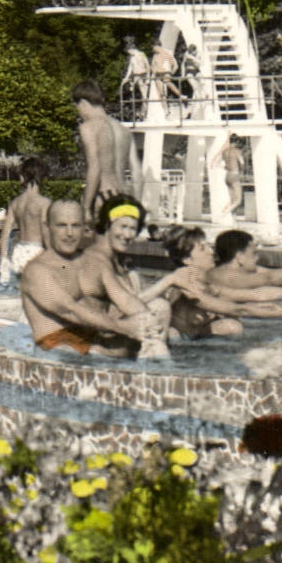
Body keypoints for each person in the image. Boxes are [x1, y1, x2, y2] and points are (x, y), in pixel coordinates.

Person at [17, 199, 155, 357]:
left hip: (96, 342)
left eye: (75, 225)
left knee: (159, 309)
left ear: (84, 227)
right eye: (61, 225)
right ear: (47, 228)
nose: (69, 233)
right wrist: (126, 328)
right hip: (59, 352)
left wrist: (147, 319)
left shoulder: (93, 262)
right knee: (91, 351)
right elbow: (71, 311)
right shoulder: (36, 271)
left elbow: (125, 300)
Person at [74, 195, 174, 357]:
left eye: (132, 228)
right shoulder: (95, 260)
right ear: (108, 225)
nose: (127, 235)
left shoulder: (115, 260)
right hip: (95, 342)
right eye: (123, 226)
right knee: (159, 309)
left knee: (160, 308)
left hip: (111, 334)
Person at [153, 225, 282, 339]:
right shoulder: (185, 282)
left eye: (208, 246)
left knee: (233, 326)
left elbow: (250, 295)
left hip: (196, 336)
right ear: (187, 260)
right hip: (180, 341)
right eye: (203, 249)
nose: (211, 251)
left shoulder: (206, 279)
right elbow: (237, 308)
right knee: (174, 336)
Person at [74, 81, 138, 213]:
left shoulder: (89, 128)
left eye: (77, 107)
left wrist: (86, 208)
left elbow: (95, 168)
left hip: (103, 196)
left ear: (84, 103)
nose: (79, 113)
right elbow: (137, 173)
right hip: (123, 196)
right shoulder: (124, 130)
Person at [0, 157, 51, 285]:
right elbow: (45, 231)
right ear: (42, 177)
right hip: (37, 251)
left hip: (19, 252)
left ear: (23, 177)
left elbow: (5, 234)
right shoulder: (44, 203)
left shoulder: (15, 203)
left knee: (25, 294)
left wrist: (4, 259)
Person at [208, 229, 282, 292]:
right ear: (240, 257)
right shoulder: (226, 276)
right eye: (254, 253)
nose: (257, 258)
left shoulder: (239, 270)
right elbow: (269, 278)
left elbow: (272, 273)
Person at [213, 135, 248, 222]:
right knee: (238, 200)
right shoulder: (237, 151)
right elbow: (242, 163)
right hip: (234, 175)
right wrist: (242, 172)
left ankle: (232, 217)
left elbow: (218, 164)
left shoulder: (224, 151)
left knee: (232, 199)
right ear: (236, 142)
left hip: (227, 175)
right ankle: (223, 215)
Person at [119, 37, 150, 111]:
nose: (129, 54)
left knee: (144, 93)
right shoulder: (132, 57)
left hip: (143, 75)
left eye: (129, 52)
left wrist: (148, 77)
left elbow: (147, 65)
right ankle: (144, 109)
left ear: (131, 50)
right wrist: (126, 78)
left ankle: (145, 109)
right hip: (136, 76)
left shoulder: (142, 54)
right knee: (141, 93)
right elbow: (130, 68)